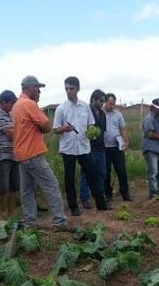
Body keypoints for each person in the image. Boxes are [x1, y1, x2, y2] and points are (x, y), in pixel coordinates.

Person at [11, 76, 69, 230]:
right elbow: (47, 126)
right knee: (51, 185)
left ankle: (29, 221)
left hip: (21, 155)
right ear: (30, 88)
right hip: (32, 153)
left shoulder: (17, 105)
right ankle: (59, 221)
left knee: (27, 190)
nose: (39, 92)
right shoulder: (29, 104)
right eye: (38, 88)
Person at [53, 77, 109, 215]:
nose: (69, 91)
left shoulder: (84, 107)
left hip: (84, 147)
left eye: (71, 88)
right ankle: (73, 207)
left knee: (92, 175)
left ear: (78, 89)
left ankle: (100, 204)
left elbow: (90, 124)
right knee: (69, 178)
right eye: (66, 88)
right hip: (68, 148)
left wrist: (91, 132)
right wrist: (64, 129)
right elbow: (55, 129)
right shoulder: (61, 108)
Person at [0, 90, 20, 222]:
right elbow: (11, 134)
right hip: (4, 157)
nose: (13, 105)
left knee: (14, 187)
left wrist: (16, 130)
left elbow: (15, 131)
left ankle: (11, 214)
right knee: (2, 188)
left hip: (14, 156)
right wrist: (17, 130)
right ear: (3, 102)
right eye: (11, 103)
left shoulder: (11, 115)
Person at [79, 89, 107, 209]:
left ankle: (100, 197)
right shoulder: (85, 111)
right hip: (88, 148)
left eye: (103, 101)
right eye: (100, 101)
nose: (102, 103)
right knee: (87, 174)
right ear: (93, 99)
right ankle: (85, 199)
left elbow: (102, 131)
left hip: (100, 147)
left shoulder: (102, 114)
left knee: (101, 173)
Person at [104, 93, 133, 202]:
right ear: (105, 102)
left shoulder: (118, 115)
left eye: (113, 104)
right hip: (104, 148)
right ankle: (108, 194)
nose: (112, 106)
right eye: (110, 103)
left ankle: (125, 193)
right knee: (106, 172)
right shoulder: (100, 114)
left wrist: (126, 141)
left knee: (121, 171)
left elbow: (123, 129)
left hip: (117, 148)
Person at [141, 98, 159, 199]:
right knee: (153, 171)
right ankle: (153, 192)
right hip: (150, 148)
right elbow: (150, 134)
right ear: (152, 107)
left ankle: (158, 191)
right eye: (158, 108)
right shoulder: (148, 118)